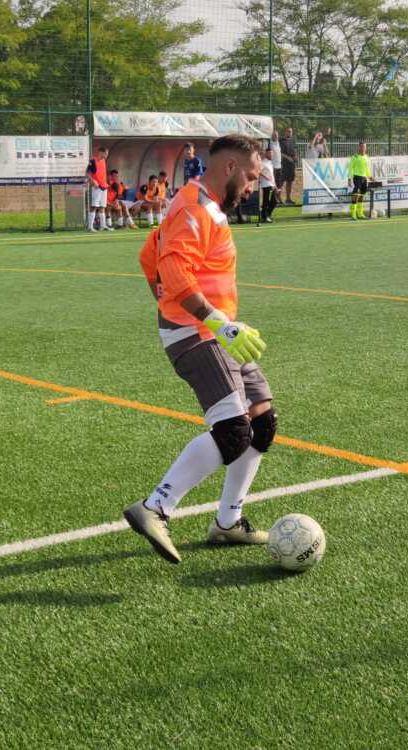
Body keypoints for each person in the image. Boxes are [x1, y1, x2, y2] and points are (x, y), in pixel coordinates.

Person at [126, 134, 274, 564]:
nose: (252, 186)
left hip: (217, 331)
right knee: (233, 432)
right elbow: (173, 267)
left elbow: (149, 255)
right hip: (198, 334)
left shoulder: (205, 206)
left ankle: (228, 523)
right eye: (251, 177)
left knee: (261, 422)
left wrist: (212, 321)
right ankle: (155, 508)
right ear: (229, 168)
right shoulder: (194, 208)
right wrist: (211, 322)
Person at [86, 146, 110, 232]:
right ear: (101, 152)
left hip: (104, 187)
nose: (106, 156)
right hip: (97, 187)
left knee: (102, 206)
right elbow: (88, 173)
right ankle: (90, 227)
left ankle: (103, 226)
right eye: (105, 154)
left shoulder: (103, 161)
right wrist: (93, 181)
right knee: (94, 206)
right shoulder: (93, 161)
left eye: (107, 154)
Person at [347, 142, 370, 220]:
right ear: (359, 148)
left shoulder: (366, 157)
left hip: (364, 178)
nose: (364, 148)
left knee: (362, 196)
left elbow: (367, 168)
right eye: (362, 147)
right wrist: (349, 179)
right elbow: (350, 168)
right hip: (357, 177)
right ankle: (353, 214)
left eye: (365, 147)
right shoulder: (355, 157)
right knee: (356, 195)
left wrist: (370, 176)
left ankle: (360, 214)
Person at [259, 145, 278, 223]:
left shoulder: (270, 163)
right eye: (270, 153)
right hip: (266, 185)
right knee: (266, 201)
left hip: (272, 185)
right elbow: (258, 171)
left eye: (272, 153)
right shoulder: (263, 162)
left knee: (275, 201)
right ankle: (265, 217)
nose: (271, 155)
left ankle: (266, 215)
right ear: (266, 154)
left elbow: (272, 175)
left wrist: (275, 185)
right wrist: (265, 176)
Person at [279, 127, 297, 205]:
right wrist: (288, 157)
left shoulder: (292, 141)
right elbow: (279, 152)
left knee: (290, 182)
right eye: (288, 131)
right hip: (283, 164)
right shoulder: (281, 141)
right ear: (285, 132)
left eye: (291, 131)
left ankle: (288, 199)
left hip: (291, 165)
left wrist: (295, 156)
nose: (290, 133)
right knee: (281, 182)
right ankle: (278, 199)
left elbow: (294, 150)